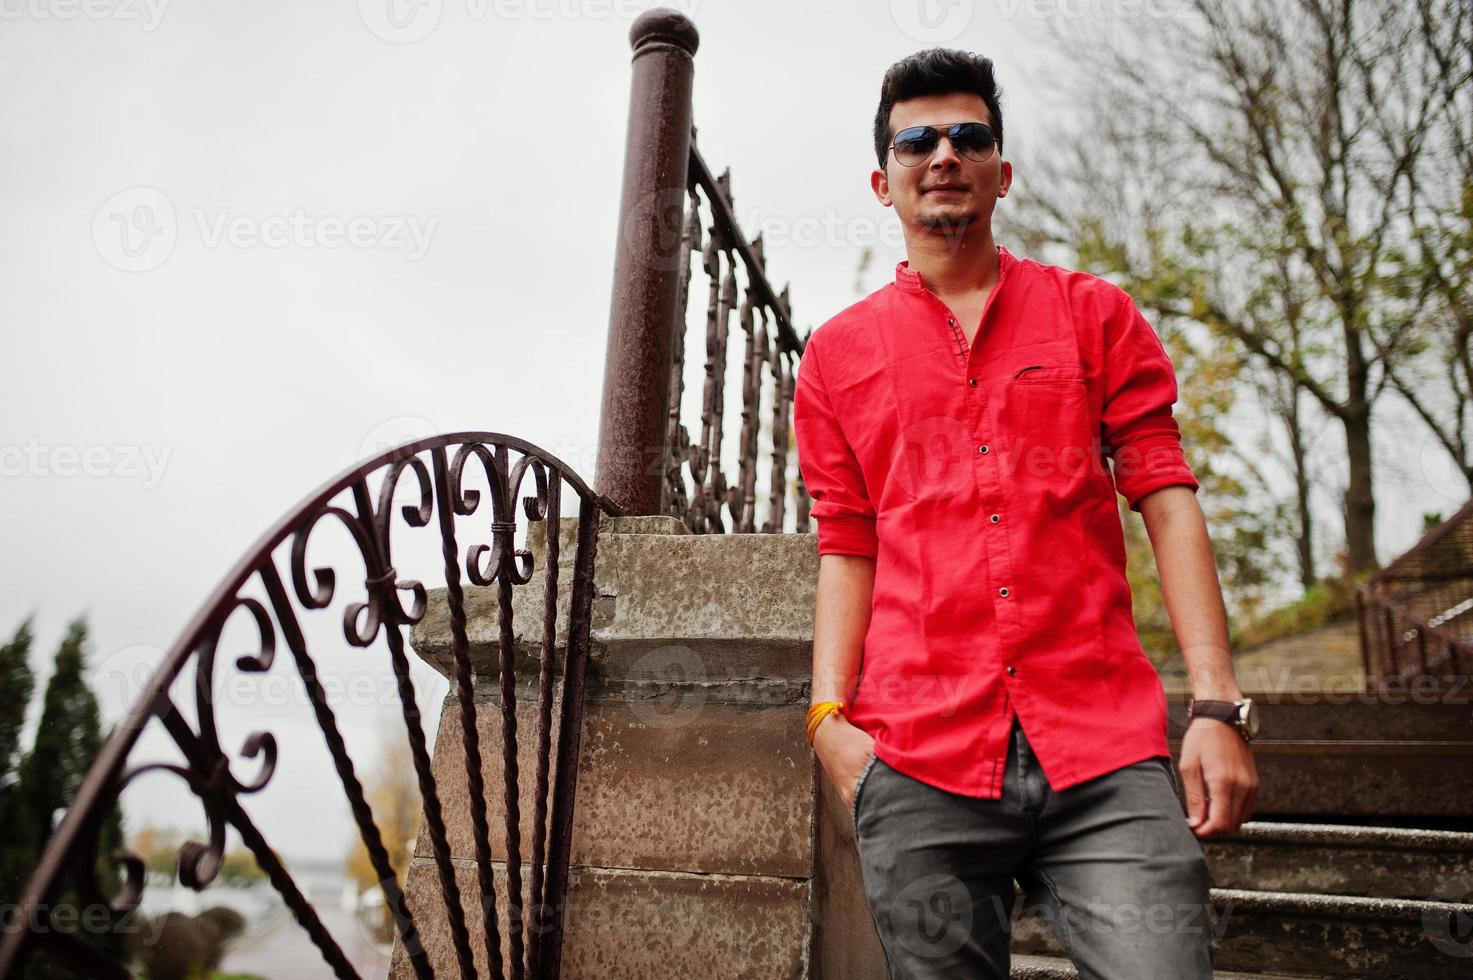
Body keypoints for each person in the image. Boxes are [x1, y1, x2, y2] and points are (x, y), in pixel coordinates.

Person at [794, 48, 1260, 979]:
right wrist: (824, 719)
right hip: (918, 753)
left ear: (1000, 172)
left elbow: (1165, 500)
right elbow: (847, 544)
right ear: (883, 181)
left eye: (969, 137)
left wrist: (1215, 705)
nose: (943, 155)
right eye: (916, 140)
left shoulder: (1095, 315)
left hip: (1101, 746)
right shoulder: (837, 357)